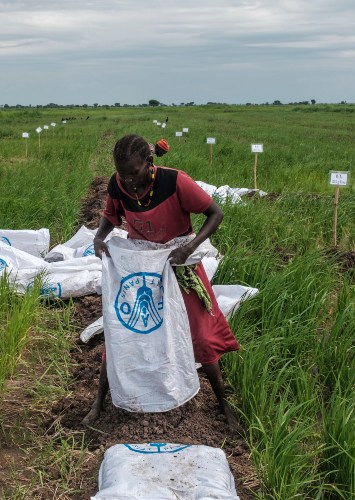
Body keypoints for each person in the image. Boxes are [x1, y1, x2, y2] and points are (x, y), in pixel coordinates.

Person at [82, 134, 241, 429]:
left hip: (177, 262)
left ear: (150, 163)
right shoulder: (117, 184)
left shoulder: (175, 181)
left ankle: (223, 405)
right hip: (142, 265)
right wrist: (99, 236)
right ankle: (99, 403)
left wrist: (189, 248)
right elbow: (111, 215)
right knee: (122, 333)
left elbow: (215, 214)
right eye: (122, 173)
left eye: (134, 173)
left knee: (202, 336)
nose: (128, 180)